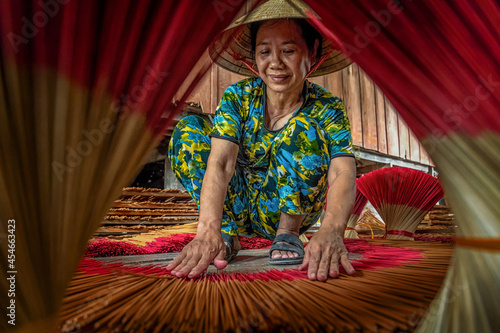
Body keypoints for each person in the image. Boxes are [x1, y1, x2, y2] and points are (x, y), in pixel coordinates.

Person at [167, 0, 356, 282]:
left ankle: (287, 233)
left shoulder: (328, 108)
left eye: (289, 51)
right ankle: (226, 233)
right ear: (254, 57)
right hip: (239, 206)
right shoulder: (238, 96)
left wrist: (332, 228)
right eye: (265, 51)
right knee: (188, 129)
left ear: (312, 52)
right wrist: (208, 228)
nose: (275, 63)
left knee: (304, 127)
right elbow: (220, 164)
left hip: (290, 210)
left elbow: (342, 171)